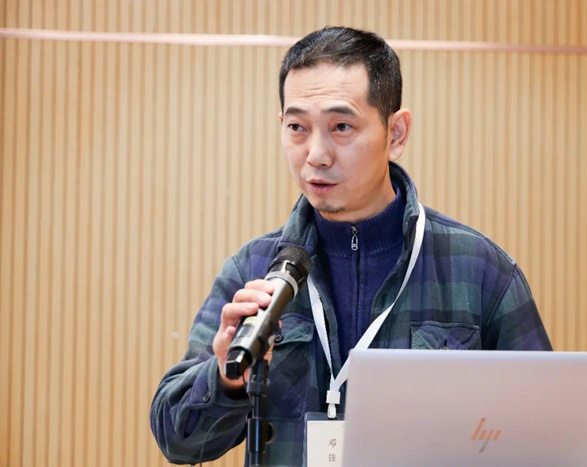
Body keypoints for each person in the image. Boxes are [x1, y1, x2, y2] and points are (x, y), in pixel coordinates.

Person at [150, 26, 552, 466]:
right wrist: (227, 378)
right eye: (297, 127)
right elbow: (178, 440)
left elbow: (545, 432)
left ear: (395, 134)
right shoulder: (255, 269)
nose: (316, 154)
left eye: (342, 127)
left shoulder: (479, 270)